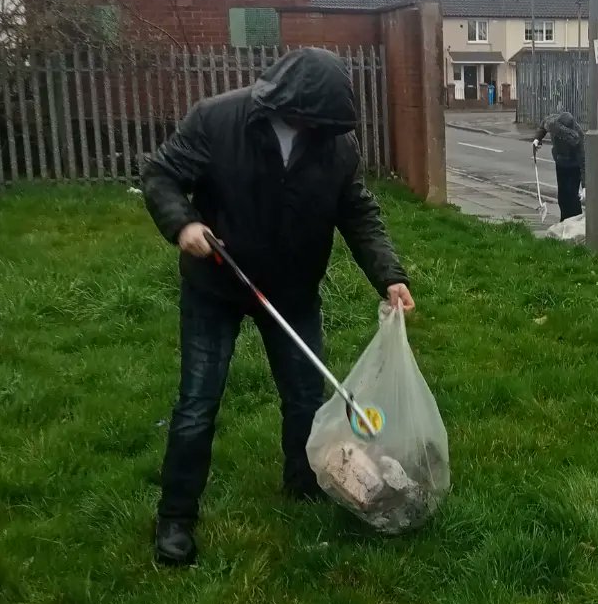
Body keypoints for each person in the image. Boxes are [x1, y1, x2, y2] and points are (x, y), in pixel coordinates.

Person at [141, 47, 414, 568]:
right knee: (197, 404)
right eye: (312, 121)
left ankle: (302, 483)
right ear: (289, 103)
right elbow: (160, 175)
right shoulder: (217, 120)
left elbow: (357, 212)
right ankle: (176, 518)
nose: (319, 131)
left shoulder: (335, 144)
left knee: (305, 397)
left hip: (290, 289)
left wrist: (390, 276)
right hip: (217, 283)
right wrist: (183, 223)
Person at [533, 108, 585, 221]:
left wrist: (585, 187)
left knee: (572, 196)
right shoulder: (552, 122)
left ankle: (575, 222)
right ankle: (564, 220)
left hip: (573, 165)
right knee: (562, 196)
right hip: (560, 162)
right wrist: (538, 139)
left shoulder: (578, 136)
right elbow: (543, 126)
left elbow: (584, 161)